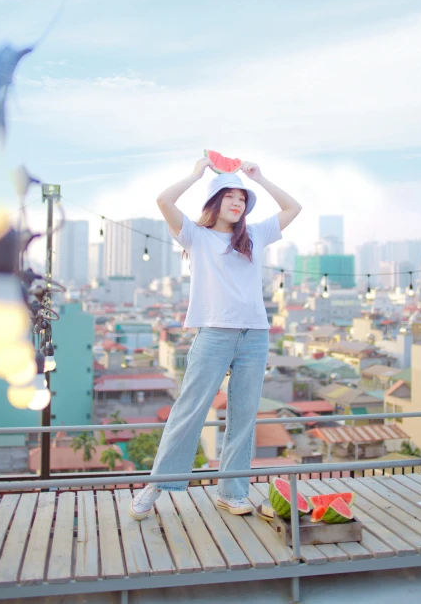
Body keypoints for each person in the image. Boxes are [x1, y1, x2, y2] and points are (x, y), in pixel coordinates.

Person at [129, 157, 301, 520]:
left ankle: (233, 492)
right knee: (189, 409)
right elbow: (163, 201)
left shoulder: (255, 235)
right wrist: (195, 173)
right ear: (215, 201)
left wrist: (260, 178)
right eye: (231, 197)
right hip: (214, 333)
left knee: (243, 416)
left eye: (243, 198)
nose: (238, 203)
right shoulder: (196, 235)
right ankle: (156, 484)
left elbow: (293, 207)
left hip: (254, 335)